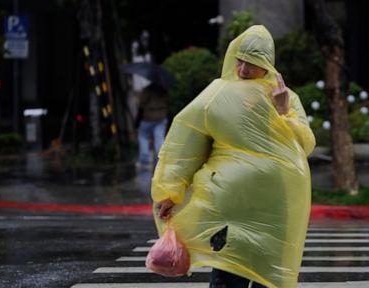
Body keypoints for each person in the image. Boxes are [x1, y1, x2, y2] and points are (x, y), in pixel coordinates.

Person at [150, 25, 316, 288]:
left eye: (251, 63)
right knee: (227, 277)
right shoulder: (218, 94)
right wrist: (171, 190)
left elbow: (305, 144)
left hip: (275, 208)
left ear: (267, 65)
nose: (242, 70)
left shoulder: (285, 98)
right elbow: (187, 141)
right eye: (239, 61)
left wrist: (284, 113)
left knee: (270, 280)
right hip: (231, 209)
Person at [135, 83, 168, 169]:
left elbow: (141, 103)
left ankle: (144, 161)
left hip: (148, 116)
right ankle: (159, 160)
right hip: (161, 116)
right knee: (159, 138)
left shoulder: (147, 90)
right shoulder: (163, 89)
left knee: (143, 137)